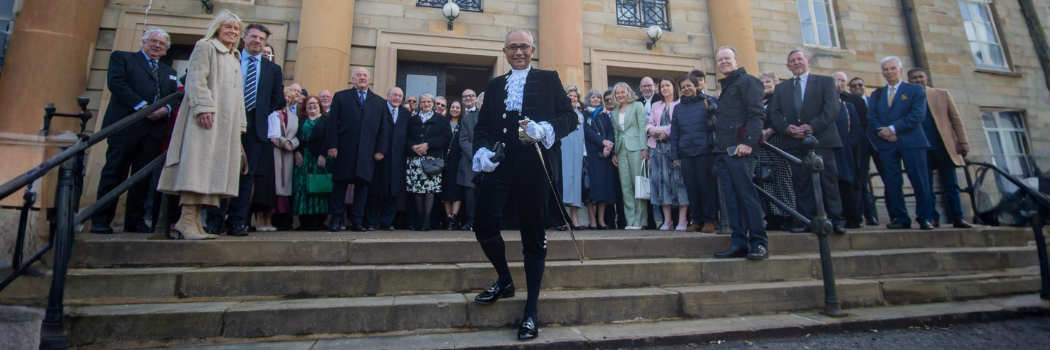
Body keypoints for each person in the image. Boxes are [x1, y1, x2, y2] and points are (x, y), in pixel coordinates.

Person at [470, 28, 577, 341]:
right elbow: (484, 127)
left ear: (533, 50)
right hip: (501, 163)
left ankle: (531, 310)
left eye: (524, 47)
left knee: (533, 234)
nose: (518, 52)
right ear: (504, 52)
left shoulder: (548, 79)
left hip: (534, 165)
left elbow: (570, 117)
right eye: (512, 47)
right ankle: (504, 279)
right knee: (483, 223)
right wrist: (481, 151)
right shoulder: (494, 85)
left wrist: (545, 128)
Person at [157, 9, 247, 240]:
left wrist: (240, 128)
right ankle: (186, 219)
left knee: (211, 170)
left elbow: (238, 98)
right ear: (218, 28)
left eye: (236, 29)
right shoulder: (205, 47)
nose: (232, 32)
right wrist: (203, 107)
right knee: (196, 166)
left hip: (226, 125)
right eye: (228, 27)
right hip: (206, 119)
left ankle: (195, 222)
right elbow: (196, 80)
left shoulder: (234, 57)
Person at [91, 27, 179, 234]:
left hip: (153, 131)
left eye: (162, 44)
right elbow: (117, 84)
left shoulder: (170, 72)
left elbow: (176, 98)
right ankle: (101, 221)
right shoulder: (122, 58)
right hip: (126, 126)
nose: (157, 45)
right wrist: (142, 107)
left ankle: (135, 221)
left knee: (142, 179)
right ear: (143, 42)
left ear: (166, 49)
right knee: (114, 174)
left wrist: (165, 109)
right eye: (153, 41)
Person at [202, 22, 285, 237]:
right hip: (226, 122)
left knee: (247, 177)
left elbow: (277, 99)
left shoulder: (273, 69)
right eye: (254, 37)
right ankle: (214, 220)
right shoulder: (231, 59)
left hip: (255, 126)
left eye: (262, 39)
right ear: (244, 38)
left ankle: (238, 221)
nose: (257, 41)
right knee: (220, 171)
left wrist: (257, 113)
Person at [769, 50, 845, 234]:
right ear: (788, 66)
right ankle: (807, 219)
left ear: (808, 61)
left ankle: (835, 219)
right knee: (801, 182)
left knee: (827, 181)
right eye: (792, 61)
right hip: (793, 141)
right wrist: (785, 128)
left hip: (820, 140)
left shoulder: (825, 82)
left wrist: (810, 127)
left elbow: (831, 110)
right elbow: (775, 113)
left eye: (799, 59)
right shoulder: (781, 88)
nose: (796, 63)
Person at [711, 46, 768, 260]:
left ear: (736, 59)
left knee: (747, 197)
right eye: (720, 60)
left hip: (741, 151)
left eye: (727, 58)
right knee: (731, 200)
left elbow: (756, 114)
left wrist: (749, 143)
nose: (723, 62)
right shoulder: (726, 86)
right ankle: (738, 242)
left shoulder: (749, 82)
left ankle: (759, 243)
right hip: (723, 151)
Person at [868, 56, 935, 230]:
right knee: (891, 181)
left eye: (892, 68)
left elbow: (917, 116)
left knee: (920, 180)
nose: (889, 72)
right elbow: (872, 118)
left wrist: (892, 129)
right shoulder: (877, 94)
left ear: (900, 70)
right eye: (885, 69)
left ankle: (924, 217)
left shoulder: (915, 90)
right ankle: (899, 217)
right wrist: (883, 132)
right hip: (886, 143)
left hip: (912, 142)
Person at [907, 67, 974, 229]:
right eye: (914, 78)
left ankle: (957, 217)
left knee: (951, 183)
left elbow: (955, 119)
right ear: (909, 80)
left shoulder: (941, 94)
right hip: (921, 148)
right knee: (925, 186)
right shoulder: (906, 97)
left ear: (926, 78)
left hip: (943, 145)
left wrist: (963, 142)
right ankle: (932, 218)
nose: (918, 80)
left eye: (920, 77)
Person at [325, 67, 390, 231]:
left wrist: (381, 149)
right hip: (344, 150)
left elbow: (383, 129)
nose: (362, 78)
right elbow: (332, 123)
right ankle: (336, 219)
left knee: (362, 188)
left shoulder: (379, 101)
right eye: (358, 75)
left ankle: (357, 221)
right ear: (352, 79)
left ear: (370, 79)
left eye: (365, 76)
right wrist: (332, 145)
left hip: (368, 152)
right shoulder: (341, 97)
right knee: (339, 186)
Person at [672, 71, 718, 233]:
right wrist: (674, 154)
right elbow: (675, 132)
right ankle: (697, 220)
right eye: (683, 87)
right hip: (686, 153)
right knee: (691, 188)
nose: (686, 89)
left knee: (706, 187)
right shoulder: (677, 108)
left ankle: (709, 220)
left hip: (705, 151)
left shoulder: (708, 102)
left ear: (696, 86)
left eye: (689, 86)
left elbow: (716, 124)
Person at [754, 70, 800, 232]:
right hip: (762, 146)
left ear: (775, 83)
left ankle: (790, 216)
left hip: (777, 143)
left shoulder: (781, 99)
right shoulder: (759, 101)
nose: (765, 85)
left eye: (768, 82)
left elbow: (785, 117)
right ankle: (773, 216)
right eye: (762, 83)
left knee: (782, 179)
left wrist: (770, 130)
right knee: (766, 179)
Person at [647, 77, 689, 230]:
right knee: (661, 182)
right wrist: (652, 130)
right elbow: (649, 123)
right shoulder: (656, 105)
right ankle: (667, 221)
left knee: (679, 182)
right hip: (657, 148)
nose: (665, 88)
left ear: (674, 88)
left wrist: (665, 132)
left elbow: (679, 124)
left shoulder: (680, 103)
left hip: (675, 147)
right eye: (662, 86)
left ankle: (683, 220)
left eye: (668, 85)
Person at [367, 87, 411, 231]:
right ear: (387, 96)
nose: (397, 98)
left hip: (398, 158)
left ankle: (387, 222)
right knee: (375, 190)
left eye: (400, 96)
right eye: (394, 95)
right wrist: (378, 150)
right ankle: (372, 221)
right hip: (380, 156)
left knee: (393, 191)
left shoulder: (406, 113)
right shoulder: (379, 109)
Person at [405, 93, 451, 231]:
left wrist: (428, 145)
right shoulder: (412, 119)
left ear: (433, 103)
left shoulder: (441, 120)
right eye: (423, 102)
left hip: (432, 160)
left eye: (429, 102)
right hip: (415, 159)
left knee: (429, 191)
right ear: (419, 104)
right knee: (418, 191)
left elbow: (445, 136)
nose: (426, 104)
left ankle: (427, 221)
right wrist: (413, 146)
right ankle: (419, 219)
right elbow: (405, 136)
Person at [259, 87, 299, 231]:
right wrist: (283, 142)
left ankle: (271, 220)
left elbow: (297, 136)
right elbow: (270, 133)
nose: (286, 99)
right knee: (270, 187)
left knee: (283, 189)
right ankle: (262, 219)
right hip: (273, 153)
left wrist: (292, 144)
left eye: (289, 97)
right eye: (284, 96)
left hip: (288, 155)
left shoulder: (294, 117)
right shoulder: (272, 113)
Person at [611, 82, 649, 230]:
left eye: (622, 92)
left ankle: (640, 220)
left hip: (636, 149)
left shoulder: (637, 106)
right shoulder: (614, 112)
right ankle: (631, 220)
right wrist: (615, 152)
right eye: (617, 93)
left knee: (638, 184)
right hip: (621, 150)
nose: (620, 95)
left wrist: (644, 148)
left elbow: (641, 128)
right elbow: (616, 133)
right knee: (625, 186)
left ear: (628, 92)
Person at [831, 72, 864, 229]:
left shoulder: (847, 106)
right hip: (827, 149)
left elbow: (857, 127)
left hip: (844, 150)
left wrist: (849, 144)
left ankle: (852, 217)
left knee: (847, 182)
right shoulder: (818, 108)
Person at [292, 95, 331, 231]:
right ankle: (304, 222)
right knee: (303, 189)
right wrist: (296, 152)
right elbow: (296, 138)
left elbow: (328, 138)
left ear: (320, 105)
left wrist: (322, 155)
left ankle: (319, 222)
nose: (312, 106)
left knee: (318, 189)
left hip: (319, 159)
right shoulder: (301, 122)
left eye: (315, 103)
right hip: (303, 159)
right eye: (309, 104)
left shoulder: (326, 119)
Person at [850, 76, 881, 226]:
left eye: (860, 85)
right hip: (860, 147)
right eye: (854, 86)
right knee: (862, 181)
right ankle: (869, 214)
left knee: (889, 178)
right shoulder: (851, 103)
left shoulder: (873, 101)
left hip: (879, 144)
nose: (857, 88)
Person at [583, 89, 616, 229]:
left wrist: (608, 146)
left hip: (605, 157)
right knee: (591, 190)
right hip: (591, 156)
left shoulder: (604, 116)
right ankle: (592, 221)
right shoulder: (584, 115)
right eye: (593, 97)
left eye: (598, 97)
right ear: (588, 100)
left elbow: (610, 132)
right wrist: (603, 142)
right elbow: (587, 132)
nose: (596, 99)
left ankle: (601, 220)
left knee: (603, 189)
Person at [560, 85, 586, 230]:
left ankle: (575, 220)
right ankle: (563, 220)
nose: (572, 97)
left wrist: (584, 153)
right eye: (570, 95)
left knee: (575, 185)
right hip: (563, 151)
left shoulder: (581, 115)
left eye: (575, 96)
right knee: (563, 183)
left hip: (576, 153)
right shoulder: (560, 113)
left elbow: (582, 136)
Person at [458, 89, 480, 231]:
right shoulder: (466, 118)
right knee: (470, 194)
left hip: (489, 162)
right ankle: (470, 220)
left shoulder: (493, 117)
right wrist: (477, 155)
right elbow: (464, 140)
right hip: (469, 161)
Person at [442, 100, 465, 229]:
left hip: (459, 160)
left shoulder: (463, 124)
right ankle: (448, 217)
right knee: (446, 190)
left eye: (457, 107)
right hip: (445, 160)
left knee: (457, 190)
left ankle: (454, 217)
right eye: (452, 107)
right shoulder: (444, 123)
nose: (455, 109)